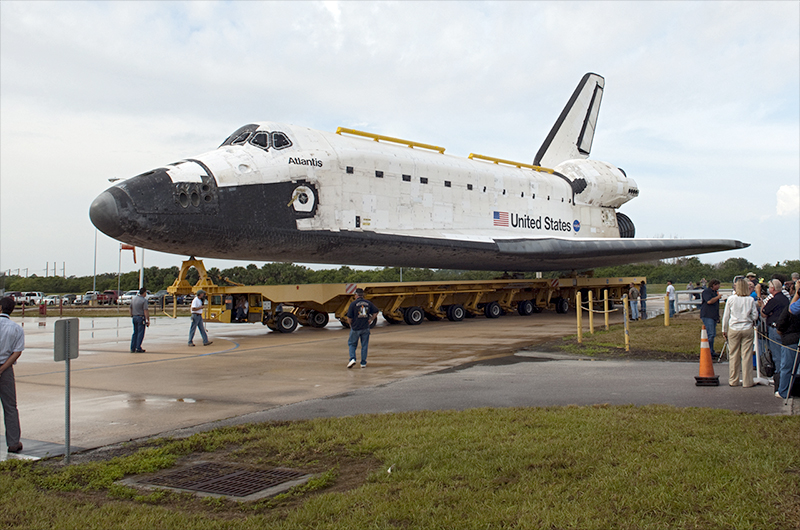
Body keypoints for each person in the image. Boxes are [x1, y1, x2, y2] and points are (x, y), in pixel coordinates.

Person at [722, 278, 759, 388]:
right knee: (746, 355)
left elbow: (726, 315)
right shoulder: (750, 300)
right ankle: (747, 381)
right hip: (747, 327)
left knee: (734, 354)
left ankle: (734, 380)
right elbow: (755, 315)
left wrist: (724, 329)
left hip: (734, 327)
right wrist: (749, 319)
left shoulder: (731, 299)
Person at [0, 296, 24, 453]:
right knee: (10, 407)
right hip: (5, 369)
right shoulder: (16, 328)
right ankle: (13, 443)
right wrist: (2, 369)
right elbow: (17, 352)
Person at [761, 279, 790, 395]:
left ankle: (778, 377)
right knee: (784, 354)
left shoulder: (774, 300)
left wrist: (761, 304)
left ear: (772, 288)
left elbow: (764, 312)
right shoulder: (785, 299)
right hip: (784, 329)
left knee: (776, 354)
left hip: (774, 328)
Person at [776, 282, 800, 399]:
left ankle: (783, 391)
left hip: (791, 338)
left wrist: (797, 292)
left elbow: (791, 310)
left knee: (787, 367)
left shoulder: (792, 306)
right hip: (793, 338)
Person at [346, 288, 379, 368]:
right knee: (364, 345)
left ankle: (352, 358)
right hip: (365, 327)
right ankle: (363, 363)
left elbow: (349, 317)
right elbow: (376, 312)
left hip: (356, 327)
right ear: (363, 295)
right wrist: (370, 319)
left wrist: (350, 325)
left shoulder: (353, 304)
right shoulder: (368, 303)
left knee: (352, 344)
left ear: (356, 295)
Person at [699, 279, 723, 358]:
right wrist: (718, 297)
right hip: (707, 315)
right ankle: (707, 351)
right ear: (713, 285)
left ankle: (711, 351)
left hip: (713, 316)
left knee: (713, 334)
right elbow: (709, 301)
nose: (719, 286)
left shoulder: (715, 293)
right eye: (718, 285)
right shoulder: (706, 292)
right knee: (710, 334)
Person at [130, 287, 150, 353]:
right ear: (144, 293)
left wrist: (132, 315)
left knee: (135, 332)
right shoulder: (144, 300)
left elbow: (130, 308)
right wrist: (148, 320)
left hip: (134, 317)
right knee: (140, 333)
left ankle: (133, 347)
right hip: (141, 317)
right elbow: (145, 310)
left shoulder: (133, 299)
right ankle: (138, 347)